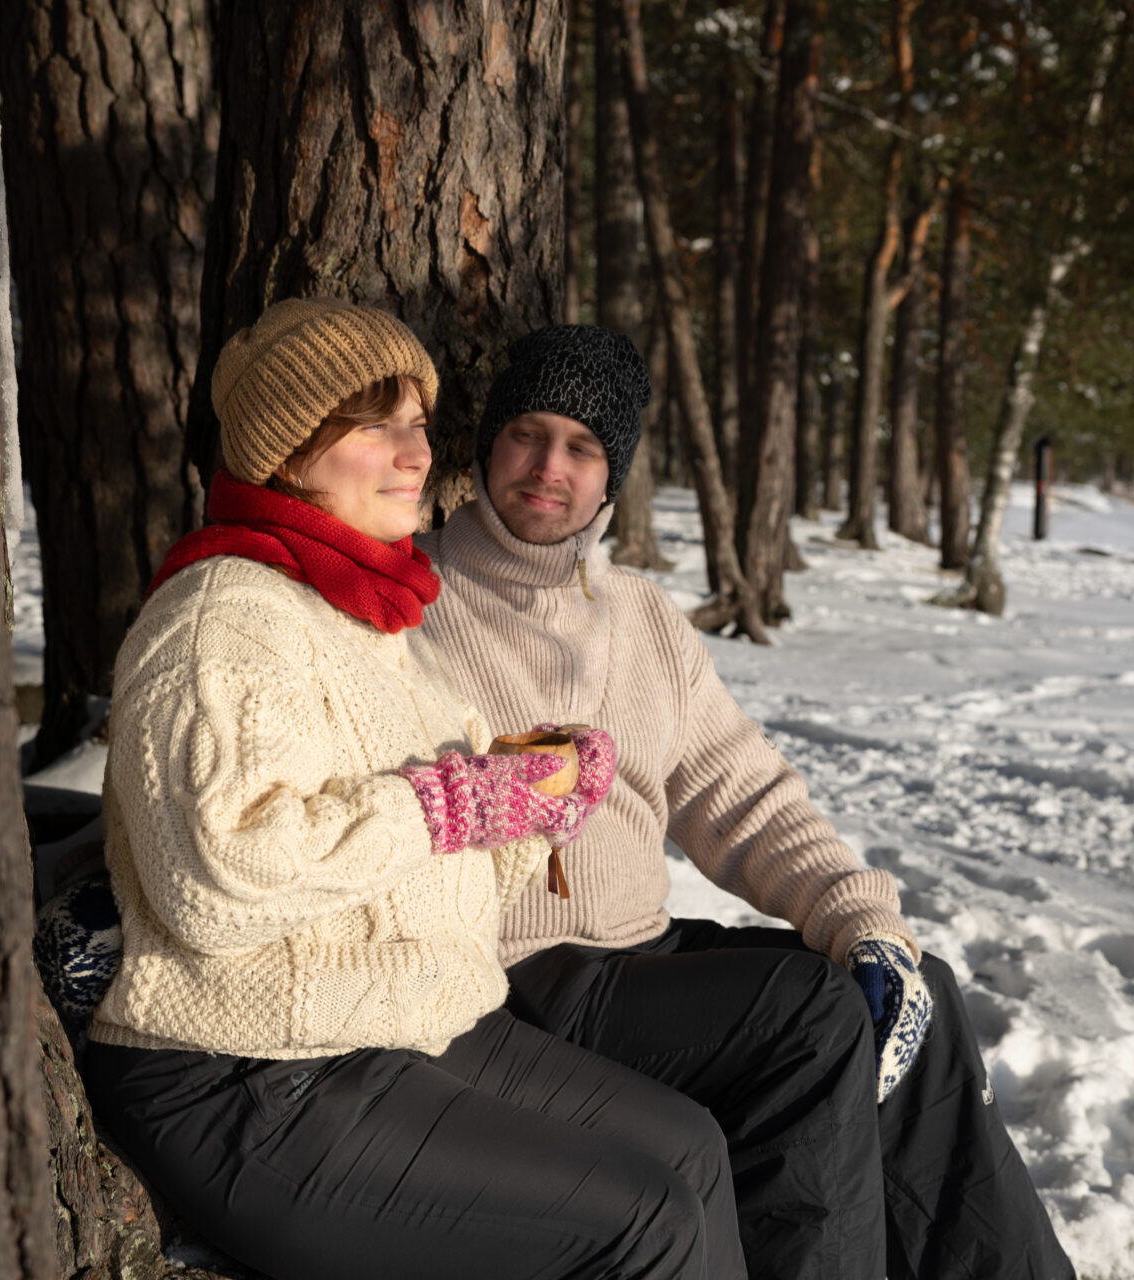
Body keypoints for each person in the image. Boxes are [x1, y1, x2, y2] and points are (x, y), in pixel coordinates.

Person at [81, 298, 749, 1280]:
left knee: (691, 1146)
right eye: (374, 424)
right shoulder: (224, 618)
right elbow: (218, 875)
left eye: (420, 425)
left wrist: (527, 800)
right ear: (284, 447)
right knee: (641, 1219)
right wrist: (447, 802)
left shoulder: (364, 615)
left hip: (391, 1017)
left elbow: (429, 854)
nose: (415, 453)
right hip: (242, 1070)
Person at [418, 324, 1076, 1280]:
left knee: (914, 998)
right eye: (528, 432)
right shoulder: (408, 596)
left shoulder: (642, 618)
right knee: (802, 1016)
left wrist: (861, 921)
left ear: (614, 479)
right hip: (513, 978)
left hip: (632, 961)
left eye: (584, 447)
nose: (547, 467)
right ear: (487, 443)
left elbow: (744, 793)